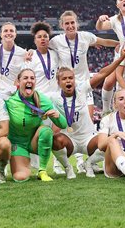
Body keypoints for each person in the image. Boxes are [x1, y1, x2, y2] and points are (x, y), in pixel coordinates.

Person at [49, 10, 118, 172]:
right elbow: (43, 46)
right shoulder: (56, 41)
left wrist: (121, 44)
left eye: (72, 22)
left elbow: (104, 41)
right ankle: (58, 162)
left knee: (87, 126)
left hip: (83, 87)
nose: (70, 26)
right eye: (67, 23)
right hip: (65, 88)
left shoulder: (86, 37)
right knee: (61, 126)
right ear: (62, 26)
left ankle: (86, 162)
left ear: (76, 24)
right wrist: (30, 52)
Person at [50, 47, 125, 179]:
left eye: (71, 78)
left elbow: (102, 74)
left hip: (88, 139)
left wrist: (119, 59)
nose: (68, 81)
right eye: (64, 79)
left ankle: (89, 163)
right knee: (54, 140)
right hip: (70, 140)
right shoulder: (53, 97)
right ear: (58, 82)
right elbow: (34, 97)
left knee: (110, 139)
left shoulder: (82, 89)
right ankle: (68, 167)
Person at [5, 68, 67, 182]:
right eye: (25, 78)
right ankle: (23, 163)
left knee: (46, 131)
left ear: (35, 82)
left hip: (34, 141)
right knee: (20, 178)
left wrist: (57, 116)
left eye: (32, 78)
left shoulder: (43, 100)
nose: (29, 80)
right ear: (18, 82)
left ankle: (42, 171)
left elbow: (63, 125)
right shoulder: (9, 99)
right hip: (17, 144)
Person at [0, 22, 28, 100]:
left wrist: (31, 50)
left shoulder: (23, 53)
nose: (8, 33)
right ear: (1, 34)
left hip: (16, 93)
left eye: (11, 31)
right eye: (5, 31)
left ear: (15, 34)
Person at [25, 21, 59, 95]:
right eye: (39, 37)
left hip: (55, 97)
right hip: (39, 97)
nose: (42, 39)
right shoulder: (30, 57)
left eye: (45, 36)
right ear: (35, 41)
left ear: (49, 39)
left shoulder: (55, 54)